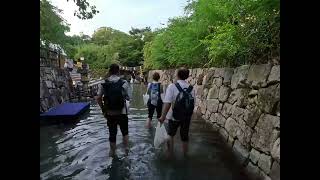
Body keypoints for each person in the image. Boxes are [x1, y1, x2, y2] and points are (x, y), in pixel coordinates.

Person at [96, 64, 132, 157]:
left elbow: (98, 98)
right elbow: (129, 97)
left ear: (109, 71)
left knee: (112, 134)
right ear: (118, 71)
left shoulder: (104, 83)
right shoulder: (124, 83)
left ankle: (112, 153)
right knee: (125, 132)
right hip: (122, 112)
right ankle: (127, 151)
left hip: (110, 113)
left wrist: (103, 109)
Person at [158, 67, 195, 158]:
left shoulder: (172, 86)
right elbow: (193, 103)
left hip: (174, 116)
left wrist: (163, 117)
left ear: (177, 75)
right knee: (184, 136)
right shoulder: (191, 88)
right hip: (186, 117)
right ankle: (185, 155)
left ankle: (170, 154)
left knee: (170, 134)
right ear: (187, 76)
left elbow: (167, 104)